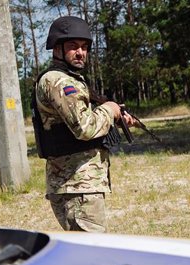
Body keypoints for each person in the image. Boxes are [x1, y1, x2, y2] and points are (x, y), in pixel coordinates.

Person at [33, 16, 135, 232]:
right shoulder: (59, 81)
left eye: (84, 47)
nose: (80, 52)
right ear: (57, 49)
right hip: (77, 186)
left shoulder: (70, 79)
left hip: (80, 184)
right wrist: (109, 109)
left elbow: (75, 126)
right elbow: (85, 128)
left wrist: (115, 119)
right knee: (92, 258)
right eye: (73, 47)